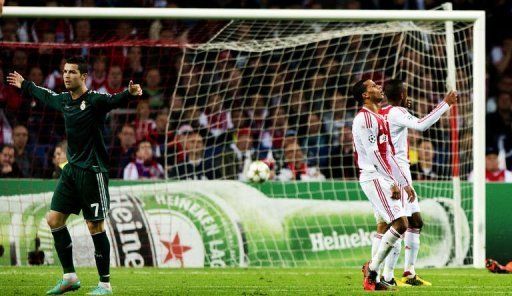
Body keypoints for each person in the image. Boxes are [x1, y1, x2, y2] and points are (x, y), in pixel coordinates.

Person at [7, 56, 142, 295]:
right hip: (71, 171)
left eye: (72, 72)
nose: (67, 76)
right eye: (65, 71)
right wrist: (25, 84)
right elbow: (45, 95)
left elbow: (114, 100)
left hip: (93, 172)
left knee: (94, 225)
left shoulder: (95, 101)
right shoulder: (65, 100)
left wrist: (129, 93)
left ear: (83, 77)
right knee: (54, 219)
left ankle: (105, 285)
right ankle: (69, 277)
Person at [376, 79, 457, 287]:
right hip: (397, 174)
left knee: (415, 222)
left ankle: (408, 272)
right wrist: (445, 103)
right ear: (402, 95)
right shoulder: (396, 113)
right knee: (398, 224)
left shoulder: (384, 112)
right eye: (406, 92)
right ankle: (386, 276)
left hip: (394, 171)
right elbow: (422, 125)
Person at [351, 79, 415, 291]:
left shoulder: (380, 118)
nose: (379, 87)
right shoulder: (366, 119)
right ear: (365, 95)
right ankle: (373, 269)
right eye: (373, 86)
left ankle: (375, 279)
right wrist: (392, 182)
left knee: (384, 226)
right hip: (374, 176)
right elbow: (374, 154)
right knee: (401, 224)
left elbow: (388, 153)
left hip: (381, 176)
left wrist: (404, 183)